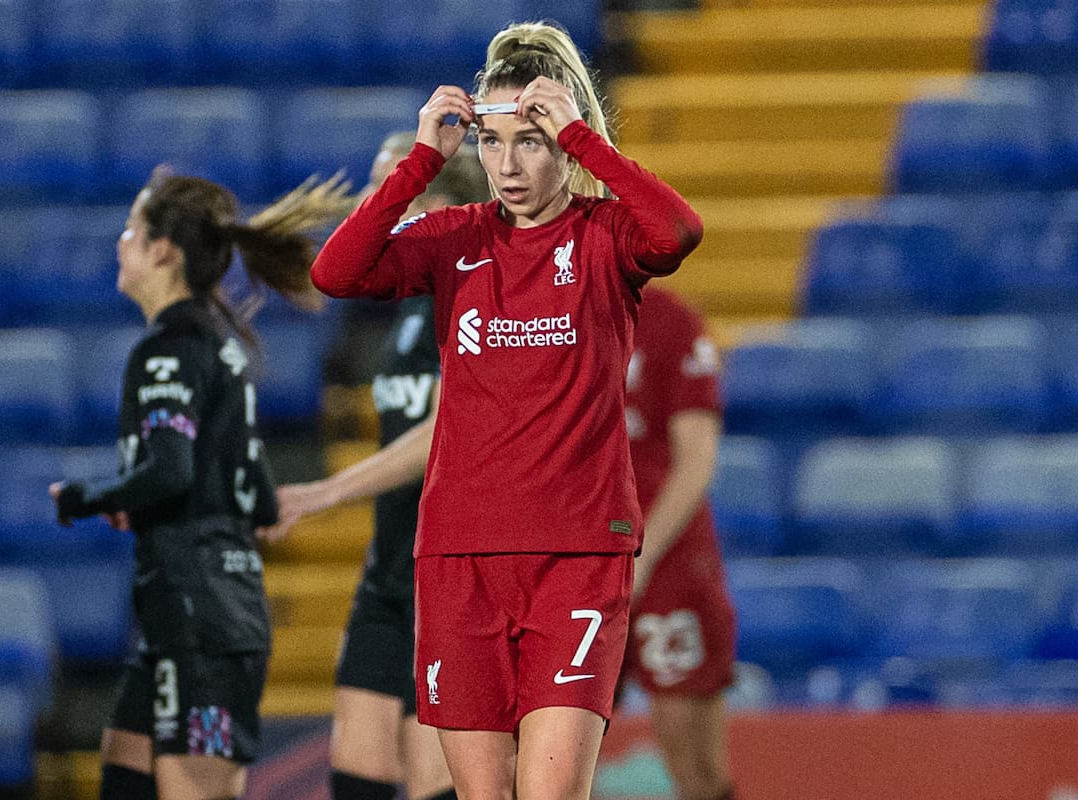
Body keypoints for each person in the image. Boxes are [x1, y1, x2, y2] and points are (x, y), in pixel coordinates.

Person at [308, 19, 703, 800]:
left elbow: (679, 229)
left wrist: (592, 146)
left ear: (564, 138)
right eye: (493, 144)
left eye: (531, 141)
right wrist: (424, 157)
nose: (509, 166)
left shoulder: (606, 238)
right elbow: (336, 271)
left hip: (578, 557)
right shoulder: (457, 238)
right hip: (461, 559)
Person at [49, 167, 351, 800]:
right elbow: (259, 498)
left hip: (198, 620)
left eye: (132, 229)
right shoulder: (222, 347)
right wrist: (160, 499)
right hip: (196, 618)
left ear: (164, 250)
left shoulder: (165, 350)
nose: (121, 242)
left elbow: (170, 468)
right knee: (122, 777)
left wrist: (87, 497)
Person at [269, 133, 486, 800]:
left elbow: (443, 434)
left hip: (450, 568)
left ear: (442, 200)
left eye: (388, 181)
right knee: (356, 771)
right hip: (391, 564)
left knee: (432, 778)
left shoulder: (474, 289)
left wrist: (326, 491)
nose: (372, 196)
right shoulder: (409, 308)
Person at [620, 284, 736, 800]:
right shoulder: (538, 319)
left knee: (694, 766)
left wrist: (641, 556)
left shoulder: (671, 323)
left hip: (662, 560)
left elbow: (695, 463)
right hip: (572, 556)